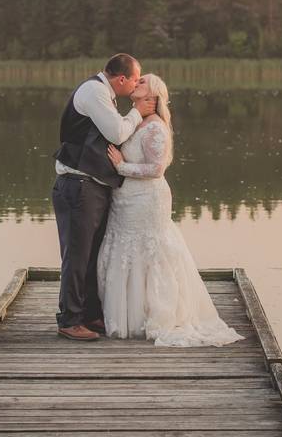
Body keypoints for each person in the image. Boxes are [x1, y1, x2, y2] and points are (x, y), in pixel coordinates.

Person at [99, 73, 244, 347]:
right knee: (125, 249)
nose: (135, 83)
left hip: (147, 199)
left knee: (150, 250)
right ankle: (126, 317)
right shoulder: (137, 121)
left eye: (141, 82)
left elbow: (156, 169)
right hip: (126, 200)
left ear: (152, 95)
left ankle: (158, 314)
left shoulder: (155, 127)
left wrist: (121, 167)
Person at [51, 54, 156, 341]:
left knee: (91, 255)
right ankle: (70, 320)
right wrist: (137, 110)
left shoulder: (103, 94)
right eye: (135, 79)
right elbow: (117, 132)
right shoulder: (94, 91)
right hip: (77, 186)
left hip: (91, 186)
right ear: (122, 79)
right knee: (76, 255)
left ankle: (86, 314)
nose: (136, 85)